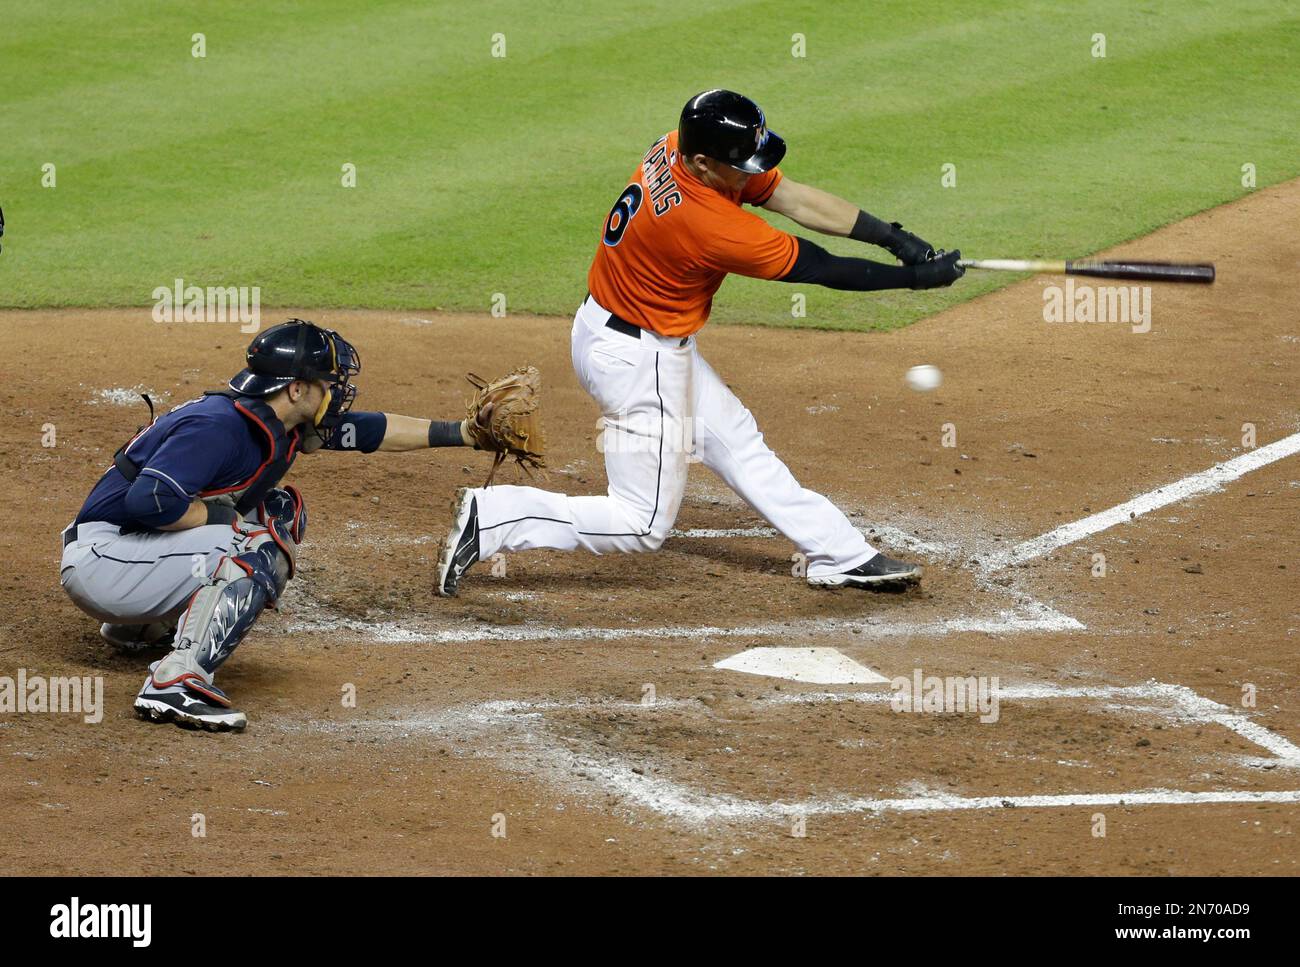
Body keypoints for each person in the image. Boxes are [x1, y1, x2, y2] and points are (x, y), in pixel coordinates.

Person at [436, 89, 964, 597]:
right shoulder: (708, 225)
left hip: (618, 330)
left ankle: (840, 553)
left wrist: (894, 238)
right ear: (707, 164)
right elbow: (820, 267)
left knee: (737, 444)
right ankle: (494, 518)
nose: (750, 172)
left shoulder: (677, 146)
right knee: (640, 523)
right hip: (642, 360)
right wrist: (915, 280)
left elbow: (793, 197)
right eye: (741, 163)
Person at [61, 319, 478, 731]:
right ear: (296, 388)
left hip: (131, 555)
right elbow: (151, 500)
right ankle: (174, 682)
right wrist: (224, 518)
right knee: (253, 546)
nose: (336, 394)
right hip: (102, 563)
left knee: (275, 509)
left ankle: (142, 628)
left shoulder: (276, 420)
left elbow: (369, 431)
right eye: (328, 384)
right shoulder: (219, 426)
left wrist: (464, 433)